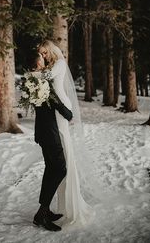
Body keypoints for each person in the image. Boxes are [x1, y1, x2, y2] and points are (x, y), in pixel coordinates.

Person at [38, 40, 95, 228]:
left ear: (51, 51)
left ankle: (59, 207)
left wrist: (37, 66)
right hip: (54, 112)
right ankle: (47, 210)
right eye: (41, 54)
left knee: (61, 157)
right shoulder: (50, 66)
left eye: (45, 53)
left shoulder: (60, 63)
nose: (43, 56)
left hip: (60, 110)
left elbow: (45, 77)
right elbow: (42, 82)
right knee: (57, 161)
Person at [28, 51, 73, 232]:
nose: (44, 58)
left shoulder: (31, 78)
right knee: (60, 168)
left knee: (51, 168)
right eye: (41, 56)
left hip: (43, 130)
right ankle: (42, 213)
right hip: (49, 132)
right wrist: (68, 114)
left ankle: (44, 210)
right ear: (37, 61)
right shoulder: (40, 79)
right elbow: (53, 100)